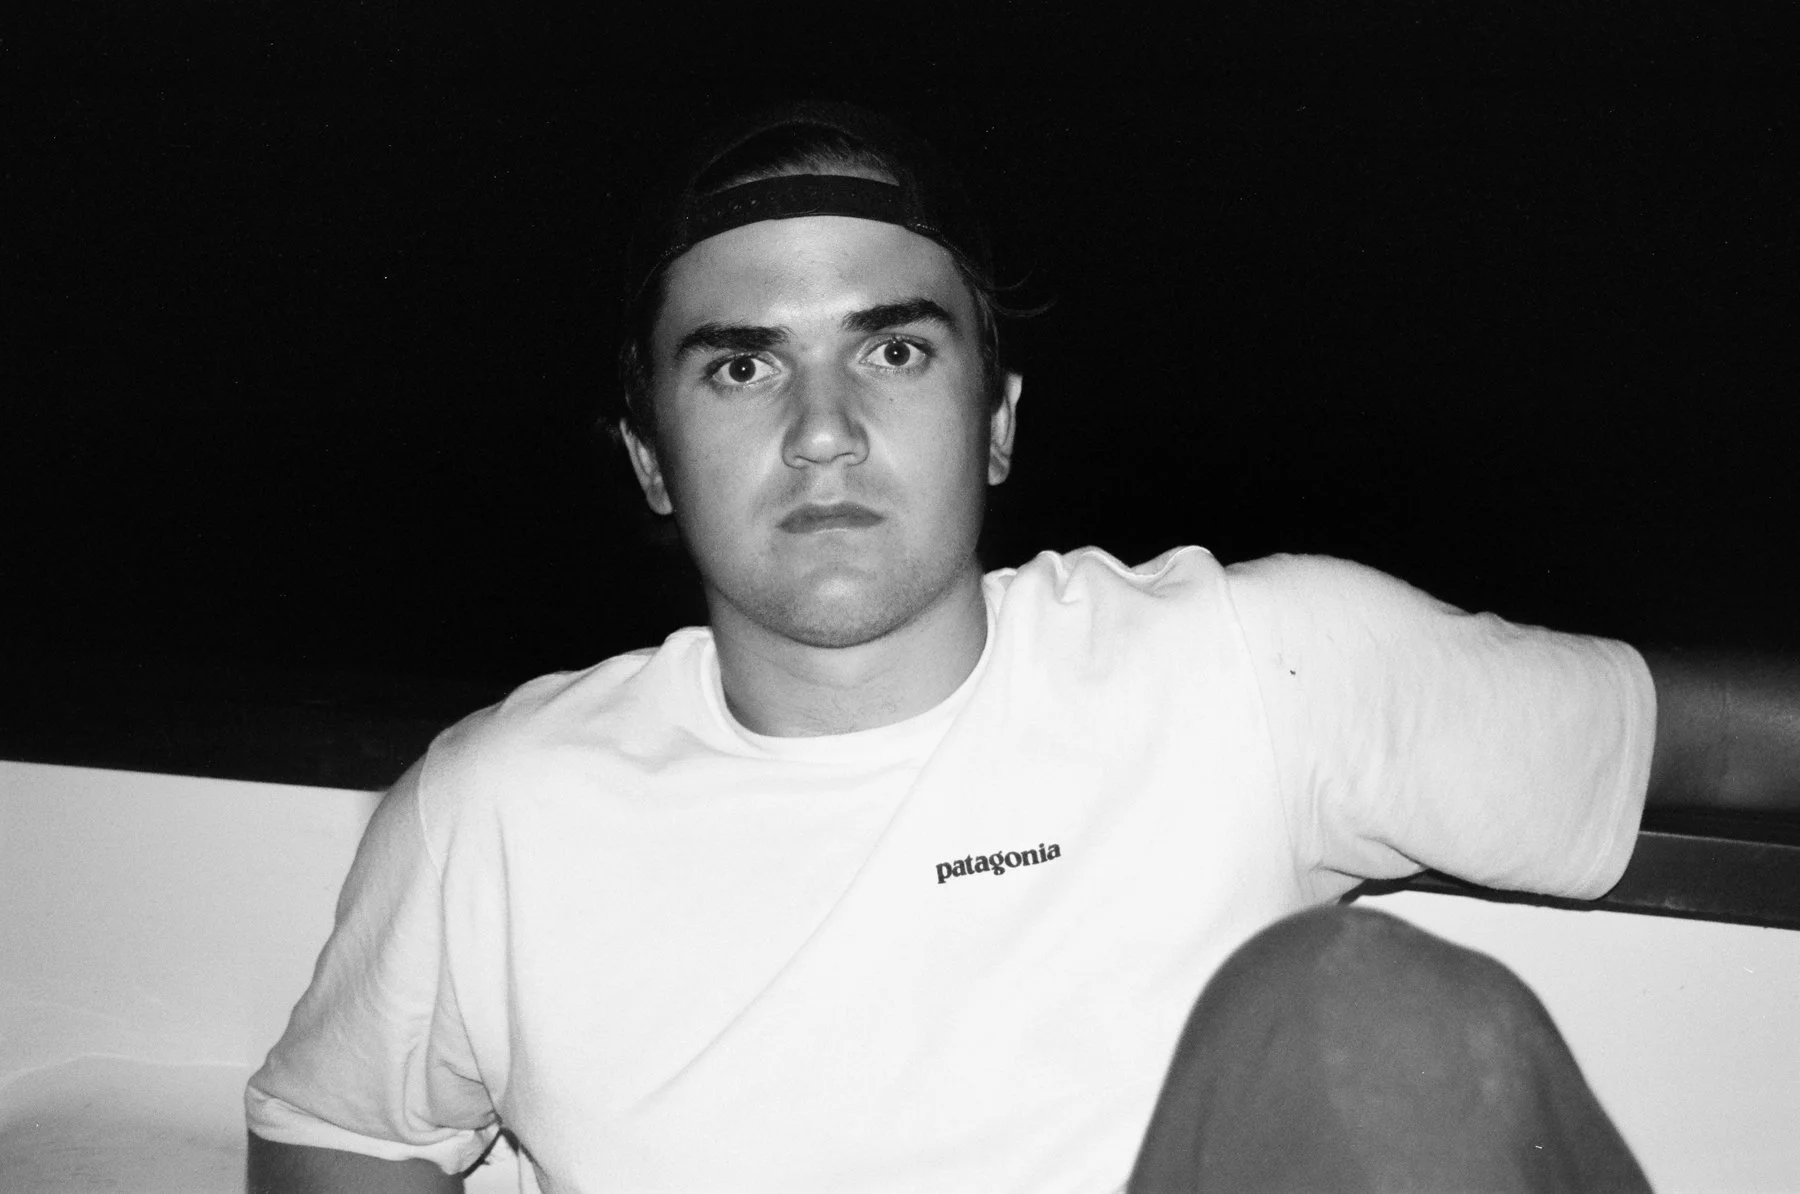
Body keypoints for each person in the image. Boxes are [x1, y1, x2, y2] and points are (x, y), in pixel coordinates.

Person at [244, 100, 1798, 1193]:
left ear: (994, 420)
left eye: (895, 347)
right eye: (739, 366)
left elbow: (1712, 736)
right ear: (652, 459)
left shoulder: (1248, 668)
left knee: (1372, 1013)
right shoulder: (500, 810)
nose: (826, 431)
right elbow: (342, 1127)